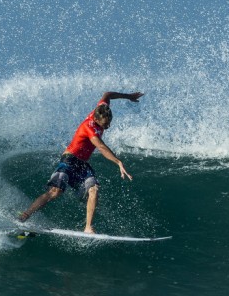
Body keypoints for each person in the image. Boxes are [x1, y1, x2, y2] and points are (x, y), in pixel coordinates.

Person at [18, 91, 144, 234]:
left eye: (108, 124)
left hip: (82, 164)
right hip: (69, 160)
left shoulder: (102, 109)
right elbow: (101, 147)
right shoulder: (89, 127)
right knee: (55, 192)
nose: (107, 127)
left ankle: (88, 227)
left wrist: (129, 97)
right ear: (96, 119)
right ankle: (25, 215)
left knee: (94, 190)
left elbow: (107, 95)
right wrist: (118, 162)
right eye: (104, 125)